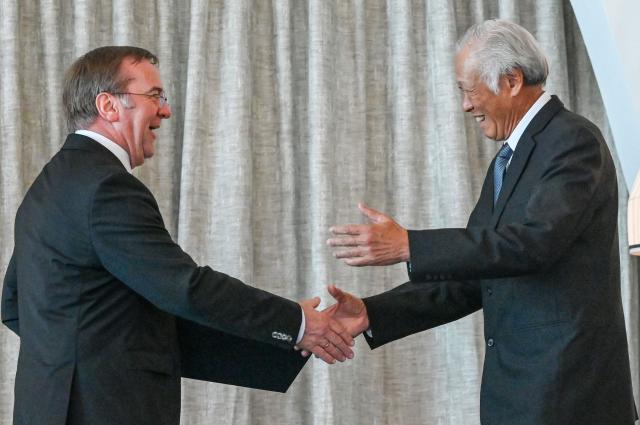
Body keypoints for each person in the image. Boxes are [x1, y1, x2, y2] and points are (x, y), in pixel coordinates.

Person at [1, 46, 353, 425]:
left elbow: (15, 304)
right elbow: (184, 289)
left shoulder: (49, 186)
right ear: (108, 106)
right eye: (154, 96)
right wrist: (297, 323)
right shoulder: (107, 188)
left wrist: (279, 336)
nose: (166, 110)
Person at [325, 19, 637, 425]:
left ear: (511, 81)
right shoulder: (508, 159)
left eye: (469, 91)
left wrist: (409, 246)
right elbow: (473, 275)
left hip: (568, 396)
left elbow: (533, 244)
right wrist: (372, 312)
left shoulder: (573, 141)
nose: (466, 106)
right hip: (516, 395)